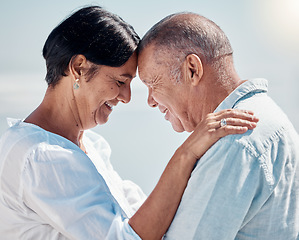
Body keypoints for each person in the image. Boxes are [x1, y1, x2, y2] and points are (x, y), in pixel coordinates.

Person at [0, 6, 259, 240]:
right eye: (120, 82)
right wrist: (186, 153)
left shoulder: (89, 146)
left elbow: (145, 219)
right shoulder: (40, 157)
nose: (126, 97)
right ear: (79, 68)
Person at [137, 12, 299, 239]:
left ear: (192, 69)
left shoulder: (235, 140)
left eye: (152, 83)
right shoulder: (268, 117)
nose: (150, 100)